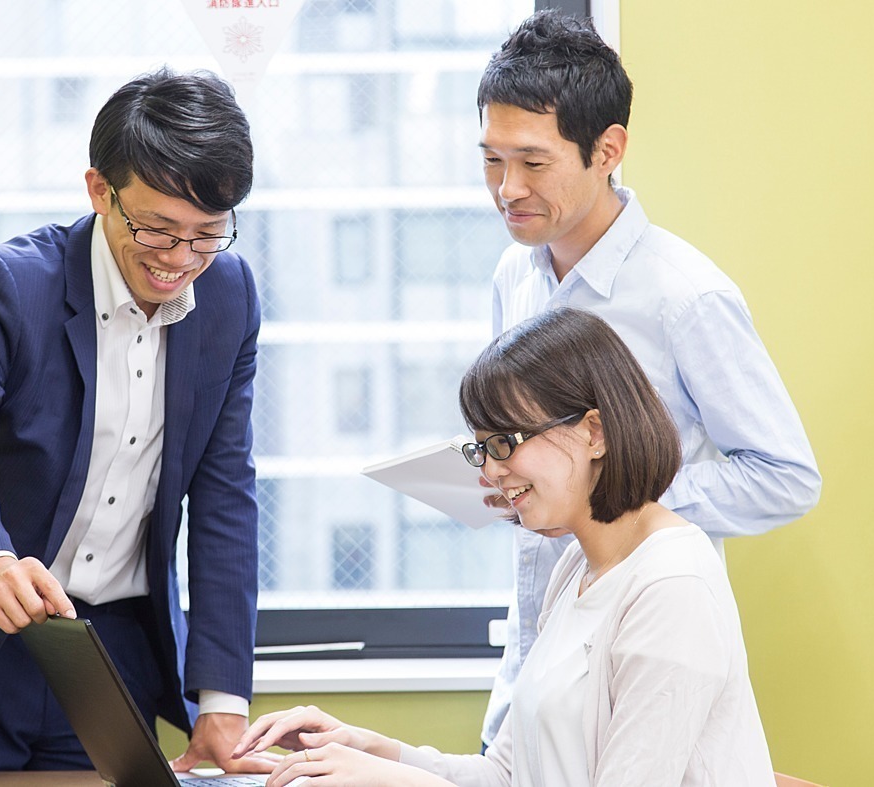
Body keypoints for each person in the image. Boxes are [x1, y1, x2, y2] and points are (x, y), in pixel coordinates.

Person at [0, 68, 274, 774]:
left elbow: (226, 492)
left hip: (113, 655)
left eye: (207, 236)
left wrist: (223, 697)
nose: (180, 261)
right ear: (100, 190)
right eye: (158, 230)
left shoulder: (231, 297)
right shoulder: (5, 283)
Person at [235, 307, 776, 786]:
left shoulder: (672, 587)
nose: (492, 471)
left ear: (595, 432)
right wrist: (371, 752)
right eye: (482, 448)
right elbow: (507, 775)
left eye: (505, 443)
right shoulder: (577, 568)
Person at [475, 10, 822, 748]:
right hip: (534, 671)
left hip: (639, 669)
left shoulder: (686, 297)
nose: (507, 189)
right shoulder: (514, 275)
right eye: (491, 160)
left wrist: (623, 489)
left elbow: (786, 476)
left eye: (533, 163)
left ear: (608, 150)